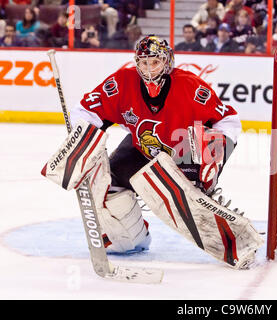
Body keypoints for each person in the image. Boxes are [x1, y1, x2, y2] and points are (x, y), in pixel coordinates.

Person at [42, 35, 261, 268]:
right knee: (106, 185)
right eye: (143, 63)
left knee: (189, 204)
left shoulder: (191, 87)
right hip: (141, 150)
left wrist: (213, 157)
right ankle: (130, 238)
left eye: (154, 62)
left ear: (167, 62)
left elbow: (228, 120)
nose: (148, 69)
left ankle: (241, 243)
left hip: (183, 154)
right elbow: (85, 112)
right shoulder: (122, 83)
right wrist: (82, 142)